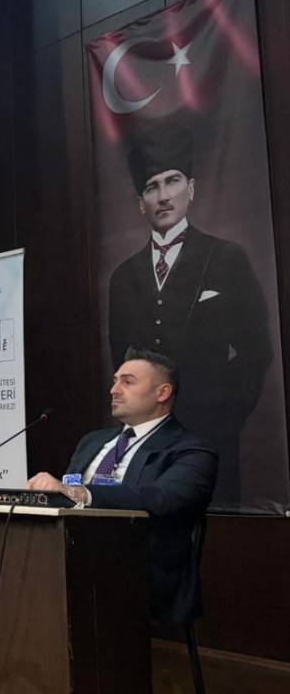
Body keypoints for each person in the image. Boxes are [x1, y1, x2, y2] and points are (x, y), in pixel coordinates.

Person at [0, 348, 218, 694]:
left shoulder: (192, 450)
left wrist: (82, 492)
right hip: (72, 557)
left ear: (163, 392)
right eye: (114, 381)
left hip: (143, 569)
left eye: (127, 381)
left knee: (66, 595)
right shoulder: (93, 441)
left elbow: (164, 499)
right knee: (15, 584)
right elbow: (67, 500)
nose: (114, 389)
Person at [106, 118, 269, 505]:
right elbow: (121, 359)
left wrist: (225, 416)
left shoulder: (227, 258)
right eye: (152, 187)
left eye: (173, 181)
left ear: (191, 189)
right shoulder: (123, 277)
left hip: (212, 436)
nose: (164, 196)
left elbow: (256, 349)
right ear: (141, 204)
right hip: (146, 443)